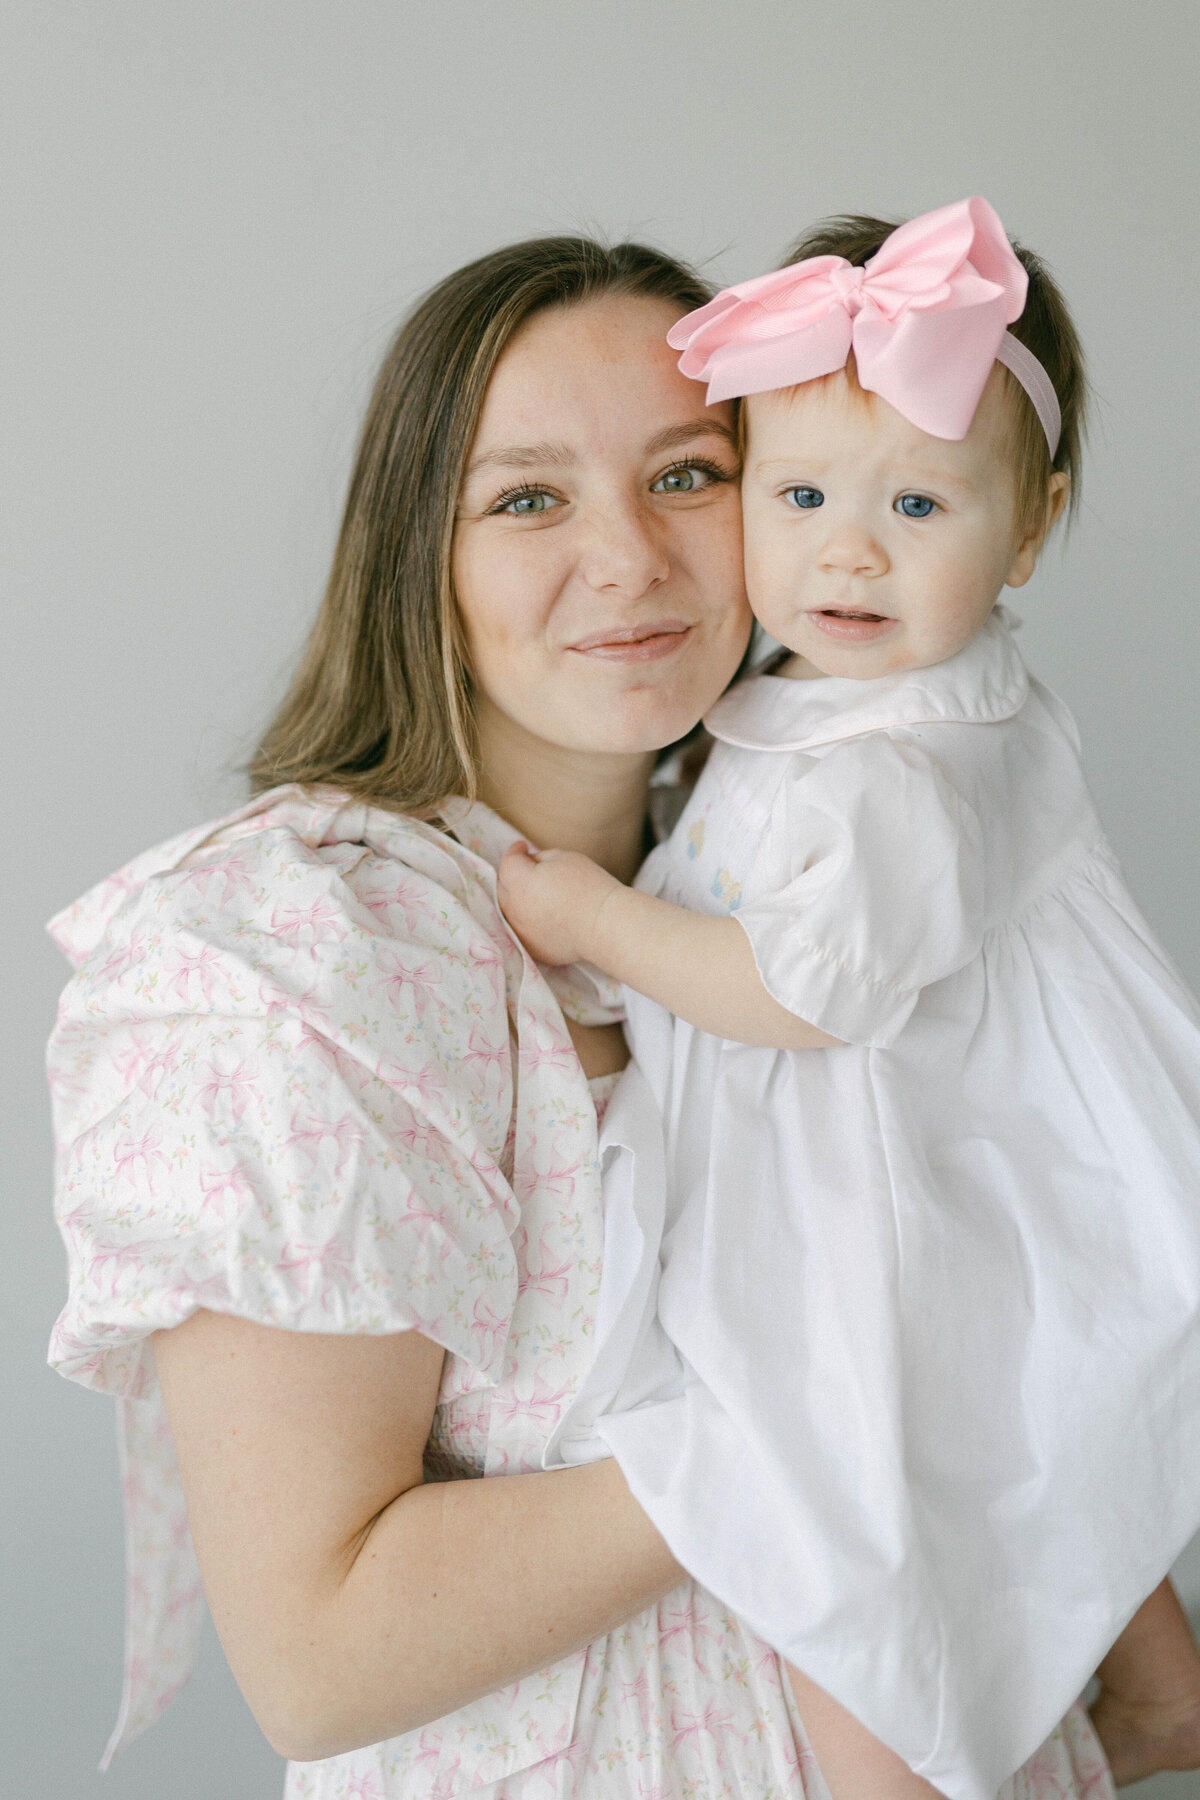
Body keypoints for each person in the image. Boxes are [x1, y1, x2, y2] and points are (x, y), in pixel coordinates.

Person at [47, 230, 1113, 1800]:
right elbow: (320, 1655)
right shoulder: (298, 949)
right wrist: (831, 1431)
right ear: (421, 550)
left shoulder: (800, 881)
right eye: (526, 498)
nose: (628, 559)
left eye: (688, 475)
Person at [497, 201, 1200, 1800]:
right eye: (797, 494)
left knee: (848, 1519)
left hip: (865, 1185)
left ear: (1031, 530)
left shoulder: (889, 772)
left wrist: (590, 911)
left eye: (921, 503)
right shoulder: (915, 698)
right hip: (966, 1158)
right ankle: (1160, 1683)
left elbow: (798, 996)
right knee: (1008, 1443)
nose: (848, 549)